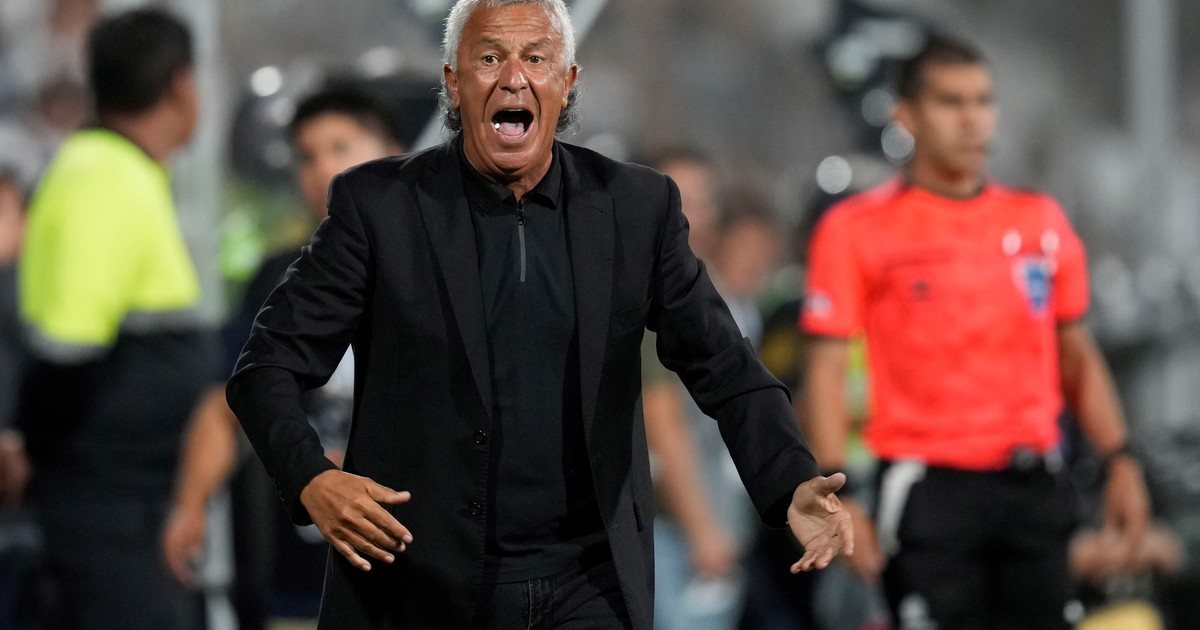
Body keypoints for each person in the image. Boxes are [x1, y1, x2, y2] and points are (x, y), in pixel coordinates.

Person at [225, 1, 853, 628]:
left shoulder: (636, 207)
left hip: (588, 584)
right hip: (423, 581)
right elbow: (266, 368)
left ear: (568, 81)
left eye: (536, 57)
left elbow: (724, 364)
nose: (513, 77)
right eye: (489, 58)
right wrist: (310, 477)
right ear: (453, 82)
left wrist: (792, 480)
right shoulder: (379, 207)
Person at [800, 35, 1151, 630]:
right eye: (951, 101)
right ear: (906, 115)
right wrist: (838, 491)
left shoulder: (1039, 221)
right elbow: (826, 371)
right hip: (928, 489)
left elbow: (1076, 354)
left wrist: (1121, 460)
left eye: (984, 101)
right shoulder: (856, 229)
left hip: (1033, 485)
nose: (972, 119)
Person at [162, 82, 405, 627]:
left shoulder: (436, 272)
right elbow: (225, 405)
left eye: (341, 147)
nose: (322, 169)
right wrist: (190, 507)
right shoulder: (278, 278)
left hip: (414, 577)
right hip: (299, 582)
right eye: (306, 156)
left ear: (393, 153)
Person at [12, 9, 212, 629]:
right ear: (181, 85)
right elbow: (67, 350)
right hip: (105, 508)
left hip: (131, 505)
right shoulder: (101, 176)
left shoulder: (121, 171)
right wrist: (31, 450)